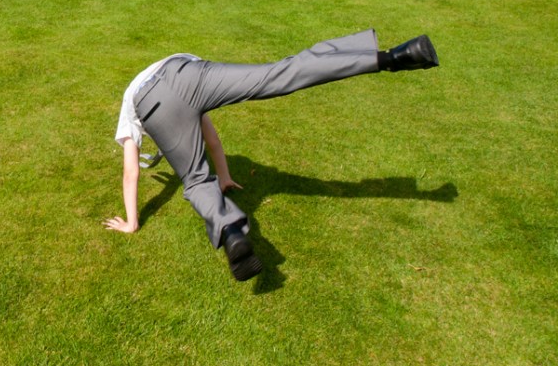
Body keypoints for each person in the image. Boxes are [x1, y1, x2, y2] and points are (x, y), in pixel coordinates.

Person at [105, 29, 439, 282]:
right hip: (185, 70)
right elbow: (212, 140)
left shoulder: (129, 106)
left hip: (153, 101)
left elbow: (130, 171)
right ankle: (393, 56)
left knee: (193, 180)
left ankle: (232, 232)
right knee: (278, 74)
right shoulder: (158, 82)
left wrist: (132, 223)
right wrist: (224, 175)